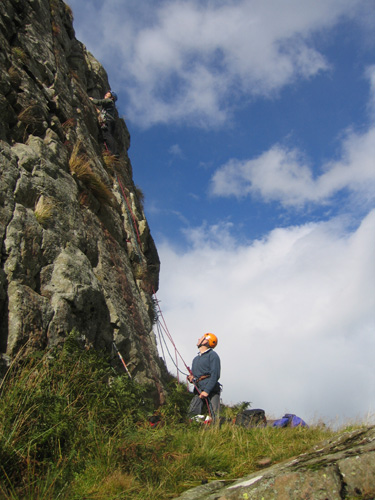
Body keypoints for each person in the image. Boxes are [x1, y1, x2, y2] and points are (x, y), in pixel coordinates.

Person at [187, 333, 221, 422]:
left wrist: (207, 390)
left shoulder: (212, 355)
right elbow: (196, 375)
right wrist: (191, 378)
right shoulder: (196, 359)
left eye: (201, 337)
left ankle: (214, 431)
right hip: (198, 389)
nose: (199, 338)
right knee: (192, 415)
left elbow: (215, 374)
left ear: (206, 341)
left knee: (214, 416)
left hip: (211, 390)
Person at [90, 90, 118, 155]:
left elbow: (98, 102)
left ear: (112, 97)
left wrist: (92, 99)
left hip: (107, 121)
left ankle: (113, 153)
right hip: (110, 121)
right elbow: (103, 113)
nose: (106, 94)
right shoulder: (110, 105)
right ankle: (111, 151)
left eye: (108, 93)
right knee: (107, 135)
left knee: (107, 135)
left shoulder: (109, 101)